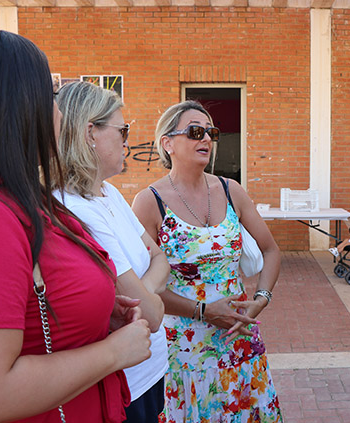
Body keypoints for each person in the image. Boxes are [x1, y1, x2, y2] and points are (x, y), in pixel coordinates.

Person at [0, 24, 151, 422]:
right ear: (18, 105)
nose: (60, 111)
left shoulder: (21, 198)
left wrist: (97, 311)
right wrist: (112, 353)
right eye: (52, 95)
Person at [132, 100, 283, 422]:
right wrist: (203, 311)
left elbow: (271, 250)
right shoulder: (149, 202)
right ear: (167, 143)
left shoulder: (231, 191)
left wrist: (260, 300)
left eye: (210, 132)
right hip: (183, 351)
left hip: (238, 339)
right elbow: (140, 287)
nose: (206, 139)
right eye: (194, 132)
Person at [53, 81, 171, 423]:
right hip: (126, 384)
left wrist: (143, 294)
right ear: (90, 132)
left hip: (149, 369)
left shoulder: (109, 193)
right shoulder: (76, 210)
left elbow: (161, 258)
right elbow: (151, 315)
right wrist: (150, 299)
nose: (128, 141)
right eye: (123, 130)